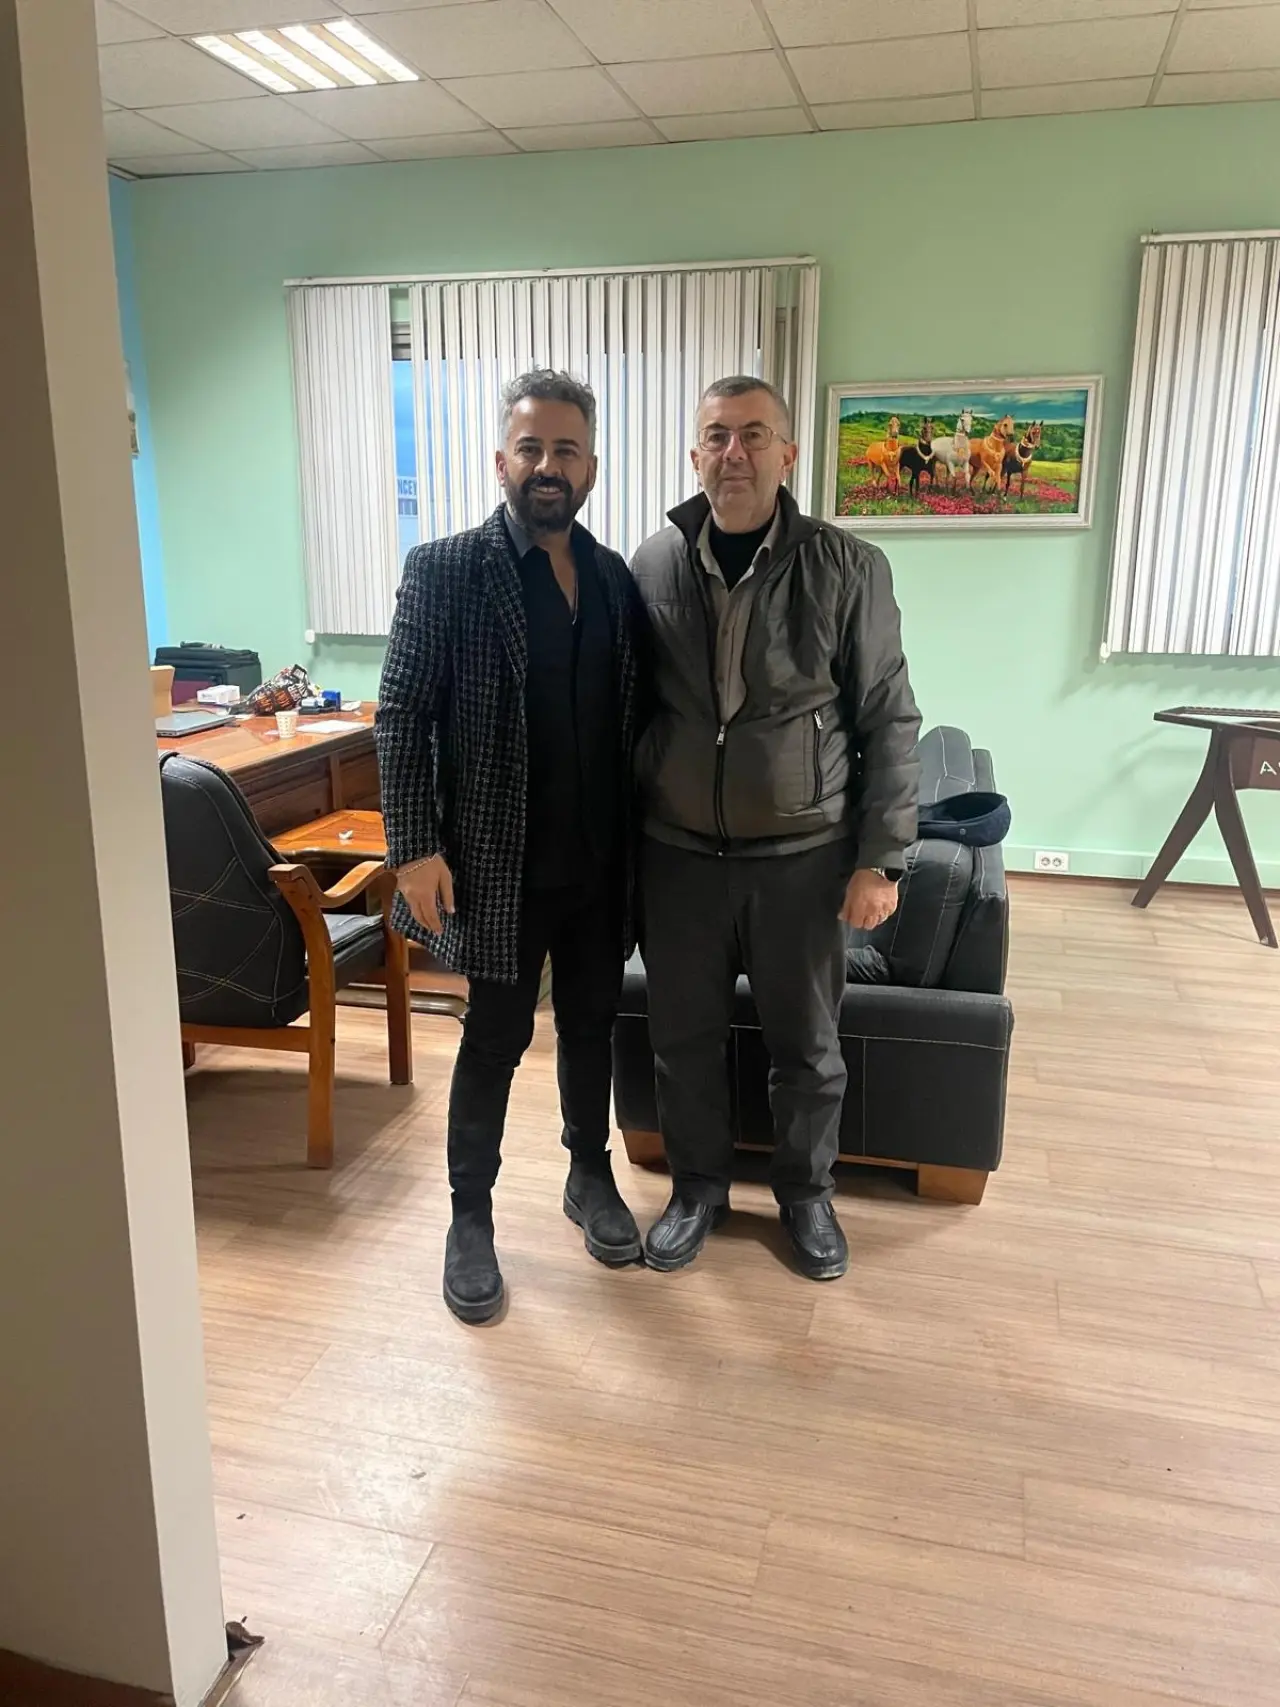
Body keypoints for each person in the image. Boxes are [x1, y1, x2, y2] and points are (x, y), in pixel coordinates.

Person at [630, 376, 921, 1281]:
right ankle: (696, 1190)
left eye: (754, 435)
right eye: (717, 435)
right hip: (678, 858)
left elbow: (889, 717)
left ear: (788, 454)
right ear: (695, 455)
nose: (735, 453)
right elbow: (631, 709)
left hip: (802, 860)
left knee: (807, 1049)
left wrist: (882, 858)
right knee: (682, 1042)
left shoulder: (848, 566)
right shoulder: (653, 563)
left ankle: (805, 1195)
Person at [376, 371, 646, 1324]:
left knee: (592, 1024)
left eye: (566, 450)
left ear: (591, 469)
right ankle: (470, 1216)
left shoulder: (614, 580)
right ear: (502, 462)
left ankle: (588, 1174)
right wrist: (414, 848)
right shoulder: (446, 569)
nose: (547, 466)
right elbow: (400, 714)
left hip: (599, 864)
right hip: (496, 867)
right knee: (494, 1038)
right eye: (531, 449)